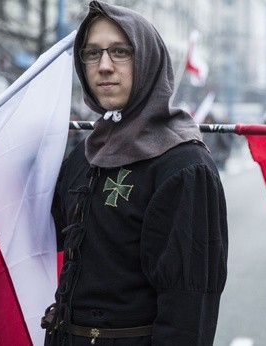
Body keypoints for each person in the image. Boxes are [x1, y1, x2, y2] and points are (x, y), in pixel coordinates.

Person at [41, 2, 228, 345]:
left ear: (148, 60)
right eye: (92, 53)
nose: (104, 66)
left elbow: (189, 308)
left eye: (120, 52)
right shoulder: (84, 153)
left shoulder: (183, 166)